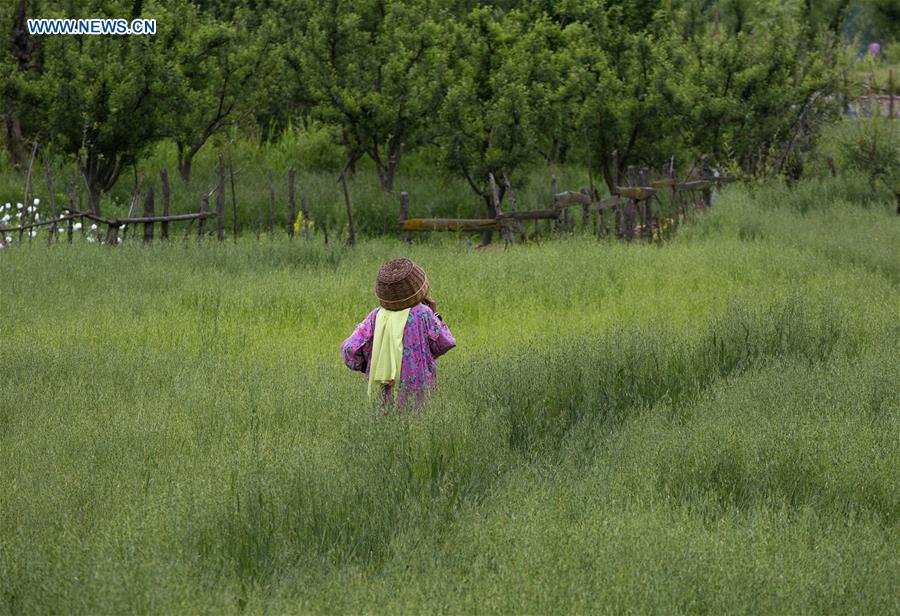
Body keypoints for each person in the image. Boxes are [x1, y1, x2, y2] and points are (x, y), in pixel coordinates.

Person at [340, 258, 456, 409]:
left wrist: (369, 365)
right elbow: (444, 343)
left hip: (387, 386)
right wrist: (435, 315)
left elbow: (349, 348)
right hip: (419, 386)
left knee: (389, 426)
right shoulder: (423, 313)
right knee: (419, 425)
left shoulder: (376, 316)